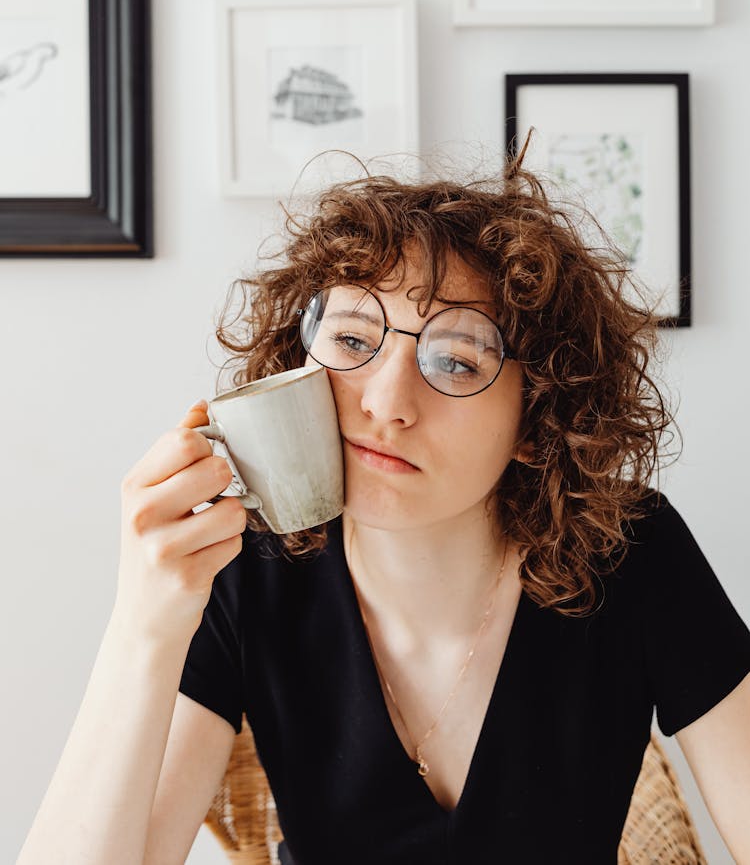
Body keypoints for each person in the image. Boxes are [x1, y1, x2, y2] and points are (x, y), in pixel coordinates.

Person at [18, 152, 750, 864]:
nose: (385, 403)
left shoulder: (627, 550)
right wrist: (143, 626)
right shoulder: (248, 564)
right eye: (353, 339)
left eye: (456, 360)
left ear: (538, 420)